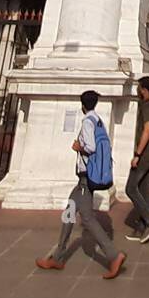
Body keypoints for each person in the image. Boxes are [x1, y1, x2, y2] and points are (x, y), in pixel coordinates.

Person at [36, 89, 126, 279]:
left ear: (82, 105)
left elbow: (91, 147)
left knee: (87, 219)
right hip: (84, 181)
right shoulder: (98, 120)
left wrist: (79, 147)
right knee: (69, 210)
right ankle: (59, 255)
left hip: (86, 178)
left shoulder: (87, 121)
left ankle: (113, 255)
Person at [125, 76, 149, 243]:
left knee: (131, 188)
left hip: (146, 153)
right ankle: (142, 227)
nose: (137, 91)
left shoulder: (148, 105)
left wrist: (137, 155)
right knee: (143, 188)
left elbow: (147, 130)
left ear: (143, 89)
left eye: (139, 88)